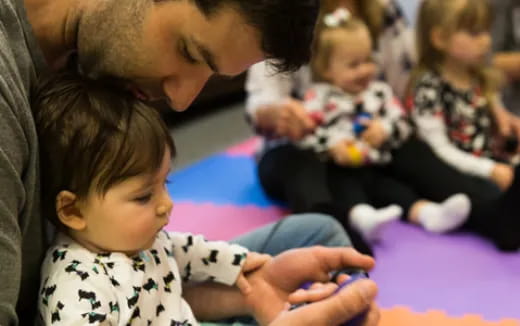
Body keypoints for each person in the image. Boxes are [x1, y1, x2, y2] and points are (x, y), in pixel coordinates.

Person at [0, 0, 380, 324]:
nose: (180, 101)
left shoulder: (86, 50)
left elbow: (144, 284)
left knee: (319, 236)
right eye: (189, 52)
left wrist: (246, 294)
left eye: (210, 73)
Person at [244, 0, 414, 254]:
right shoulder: (283, 14)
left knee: (415, 149)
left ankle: (477, 206)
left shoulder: (384, 10)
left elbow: (406, 85)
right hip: (302, 147)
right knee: (304, 166)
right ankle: (330, 240)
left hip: (370, 142)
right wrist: (276, 115)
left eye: (366, 60)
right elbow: (262, 100)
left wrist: (385, 126)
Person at [298, 9, 470, 241]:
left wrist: (385, 129)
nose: (365, 69)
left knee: (392, 188)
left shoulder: (379, 92)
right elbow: (306, 133)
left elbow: (401, 120)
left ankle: (427, 213)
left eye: (368, 60)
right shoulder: (318, 98)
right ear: (327, 69)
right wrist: (332, 146)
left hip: (378, 164)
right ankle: (362, 218)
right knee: (344, 189)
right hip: (341, 168)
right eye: (353, 64)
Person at [394, 0, 520, 251]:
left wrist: (507, 132)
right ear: (440, 38)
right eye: (474, 33)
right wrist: (489, 169)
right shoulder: (428, 86)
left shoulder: (480, 79)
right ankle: (499, 224)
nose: (485, 40)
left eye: (486, 31)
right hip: (454, 169)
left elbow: (493, 129)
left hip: (488, 163)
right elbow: (439, 150)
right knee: (478, 194)